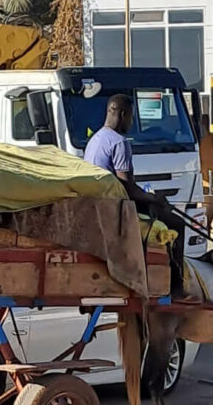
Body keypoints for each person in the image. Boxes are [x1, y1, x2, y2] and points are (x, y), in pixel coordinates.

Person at [84, 94, 192, 300]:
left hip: (100, 203)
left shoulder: (95, 139)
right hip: (117, 208)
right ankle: (176, 287)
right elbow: (128, 187)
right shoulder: (119, 142)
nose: (131, 123)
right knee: (175, 223)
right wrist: (154, 199)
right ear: (123, 115)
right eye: (131, 118)